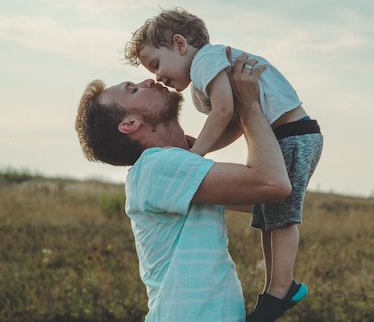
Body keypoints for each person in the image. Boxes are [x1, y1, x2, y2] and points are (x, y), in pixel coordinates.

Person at [124, 8, 323, 321]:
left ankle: (280, 287)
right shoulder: (205, 78)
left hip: (292, 134)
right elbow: (233, 123)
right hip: (284, 134)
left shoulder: (206, 61)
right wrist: (200, 148)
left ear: (179, 44)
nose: (157, 77)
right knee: (270, 215)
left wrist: (196, 152)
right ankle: (274, 288)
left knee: (282, 214)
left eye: (156, 64)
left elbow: (224, 112)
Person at [75, 54, 297, 321]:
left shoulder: (173, 171)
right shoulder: (156, 166)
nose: (148, 80)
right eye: (133, 90)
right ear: (130, 124)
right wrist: (249, 105)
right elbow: (273, 185)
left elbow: (273, 199)